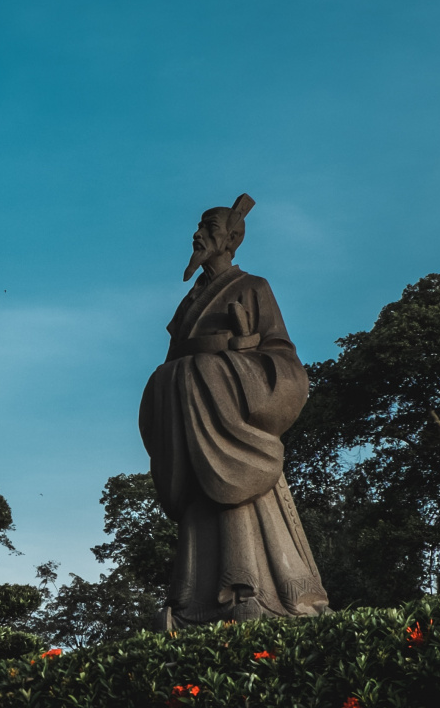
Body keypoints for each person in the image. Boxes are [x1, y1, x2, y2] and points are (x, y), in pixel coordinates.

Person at [138, 194, 328, 629]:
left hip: (231, 418)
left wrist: (239, 355)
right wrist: (175, 381)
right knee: (200, 509)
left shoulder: (253, 287)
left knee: (237, 501)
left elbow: (282, 357)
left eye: (208, 228)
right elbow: (172, 361)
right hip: (192, 412)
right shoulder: (188, 304)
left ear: (231, 239)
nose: (197, 235)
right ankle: (192, 596)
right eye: (198, 228)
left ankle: (247, 586)